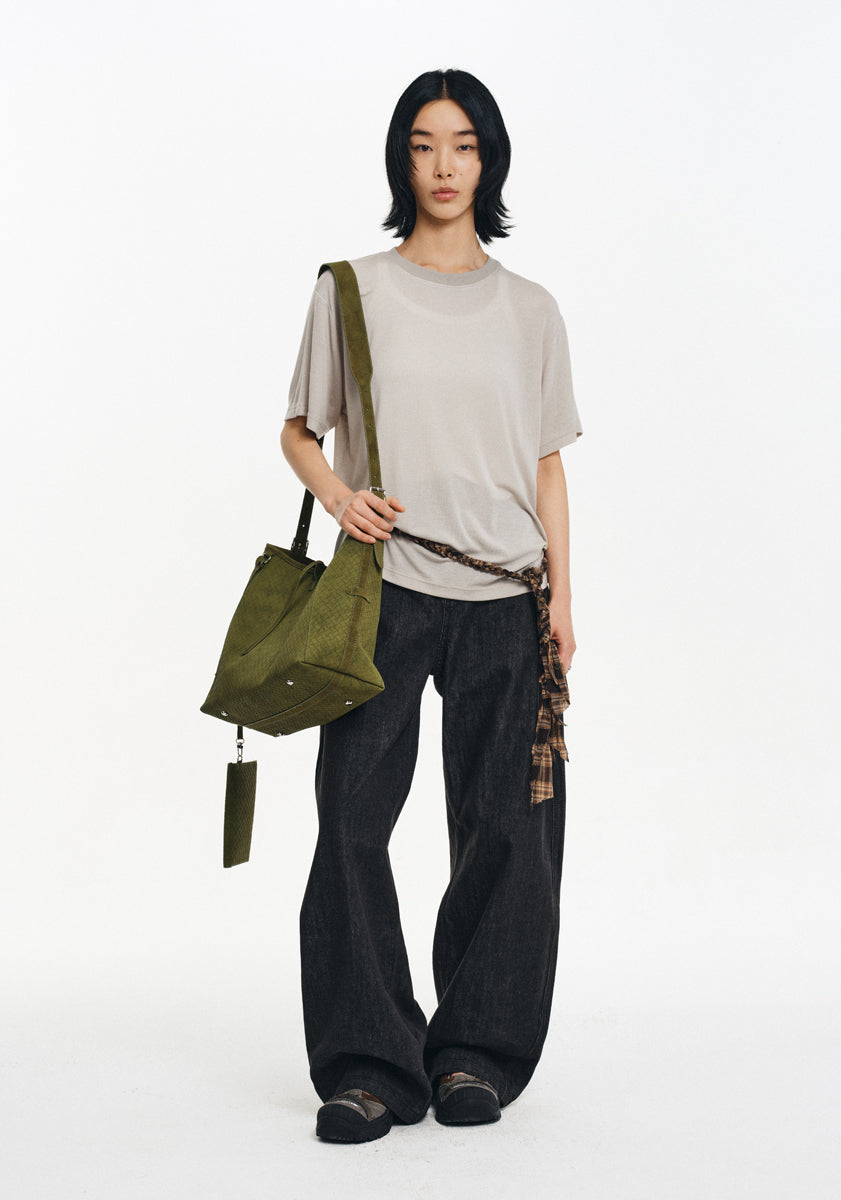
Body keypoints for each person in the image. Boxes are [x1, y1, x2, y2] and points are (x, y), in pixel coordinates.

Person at [280, 68, 582, 1144]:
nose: (443, 166)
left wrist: (564, 595)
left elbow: (545, 463)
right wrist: (340, 497)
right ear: (400, 160)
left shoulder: (531, 309)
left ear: (488, 159)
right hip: (385, 586)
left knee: (510, 831)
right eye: (423, 144)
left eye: (462, 145)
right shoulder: (351, 290)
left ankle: (474, 1057)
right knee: (351, 821)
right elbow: (300, 430)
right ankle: (368, 1067)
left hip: (507, 594)